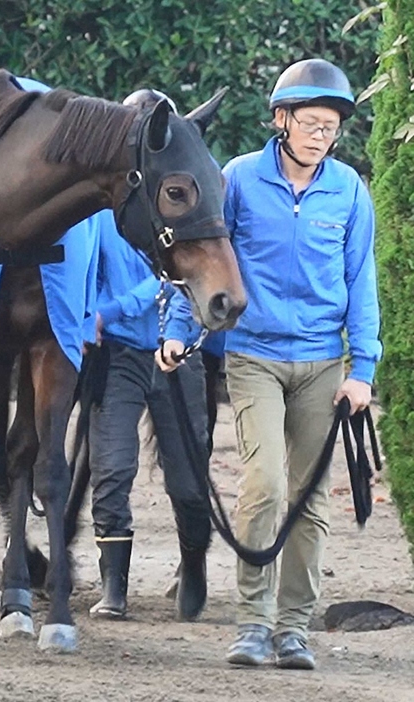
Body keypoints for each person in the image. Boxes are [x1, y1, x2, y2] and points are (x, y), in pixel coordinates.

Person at [220, 58, 381, 669]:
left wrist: (361, 367)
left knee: (310, 498)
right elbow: (208, 260)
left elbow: (360, 281)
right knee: (265, 485)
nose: (322, 134)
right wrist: (182, 331)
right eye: (311, 122)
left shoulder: (349, 190)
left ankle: (293, 629)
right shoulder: (237, 179)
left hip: (322, 362)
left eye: (331, 126)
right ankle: (252, 624)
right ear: (281, 119)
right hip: (254, 355)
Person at [86, 88, 212, 623]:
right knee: (112, 466)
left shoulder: (182, 198)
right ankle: (113, 583)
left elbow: (179, 282)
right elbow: (82, 273)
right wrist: (90, 318)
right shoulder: (101, 209)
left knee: (187, 474)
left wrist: (117, 314)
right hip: (118, 358)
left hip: (174, 352)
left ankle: (194, 565)